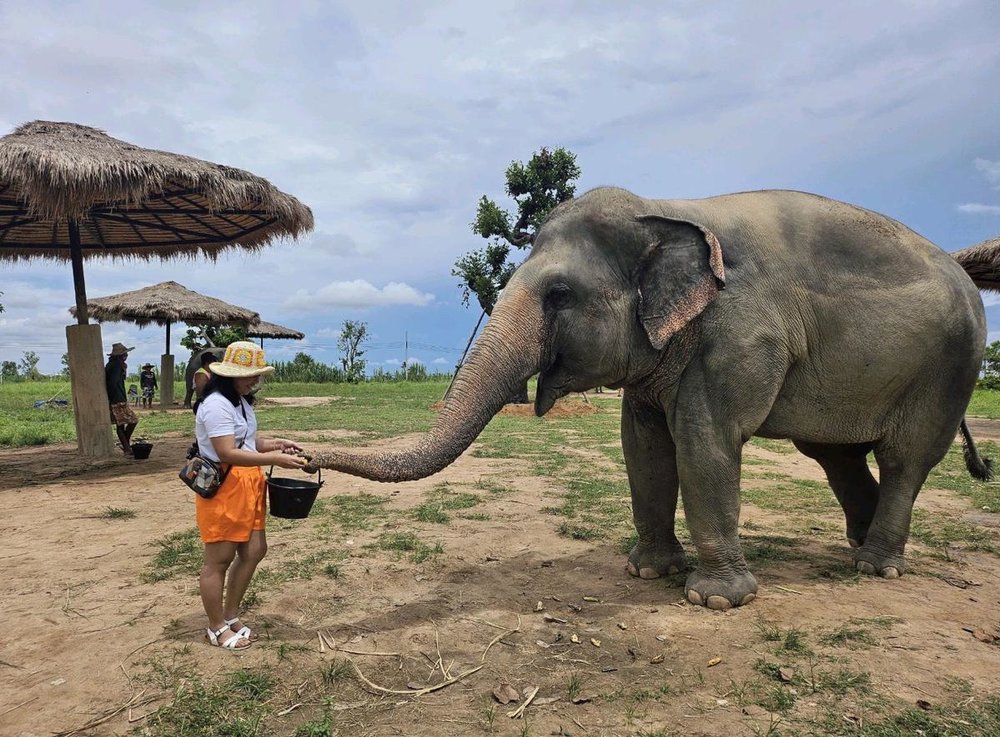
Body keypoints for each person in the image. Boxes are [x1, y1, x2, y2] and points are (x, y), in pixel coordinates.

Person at [194, 341, 308, 650]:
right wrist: (275, 460)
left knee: (255, 550)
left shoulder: (240, 402)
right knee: (218, 559)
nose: (254, 381)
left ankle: (230, 615)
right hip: (226, 488)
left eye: (257, 376)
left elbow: (245, 441)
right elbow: (226, 451)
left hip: (250, 484)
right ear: (229, 375)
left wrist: (276, 444)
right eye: (249, 376)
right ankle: (216, 626)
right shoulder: (215, 404)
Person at [104, 342, 139, 455]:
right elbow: (113, 384)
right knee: (130, 421)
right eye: (124, 354)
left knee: (122, 423)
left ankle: (126, 446)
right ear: (119, 356)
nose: (126, 356)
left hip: (117, 398)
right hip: (117, 399)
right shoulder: (116, 366)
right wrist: (113, 399)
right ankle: (127, 447)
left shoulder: (114, 365)